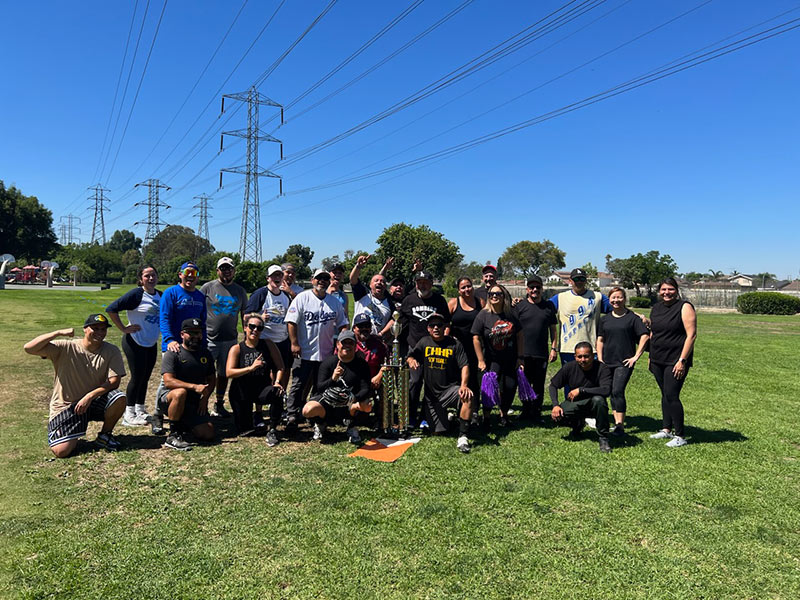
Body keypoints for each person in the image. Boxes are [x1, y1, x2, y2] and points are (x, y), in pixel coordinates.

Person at [24, 313, 126, 457]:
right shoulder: (66, 346)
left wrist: (90, 396)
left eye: (103, 329)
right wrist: (58, 333)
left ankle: (105, 435)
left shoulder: (111, 350)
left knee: (119, 398)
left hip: (93, 401)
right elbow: (29, 348)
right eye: (95, 328)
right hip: (66, 405)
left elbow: (114, 381)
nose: (100, 332)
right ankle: (74, 430)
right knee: (61, 452)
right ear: (85, 329)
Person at [284, 269, 349, 432]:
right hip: (304, 351)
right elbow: (291, 322)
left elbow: (343, 323)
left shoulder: (334, 302)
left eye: (326, 278)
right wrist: (294, 343)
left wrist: (341, 343)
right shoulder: (302, 298)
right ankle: (292, 414)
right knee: (298, 384)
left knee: (320, 386)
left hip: (325, 353)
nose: (322, 281)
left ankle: (314, 414)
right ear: (312, 280)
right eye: (319, 278)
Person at [152, 261, 207, 435]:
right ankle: (158, 414)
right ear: (180, 275)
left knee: (190, 376)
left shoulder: (199, 296)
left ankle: (185, 411)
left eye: (194, 275)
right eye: (187, 274)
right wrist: (169, 339)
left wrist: (202, 343)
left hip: (194, 345)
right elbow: (164, 317)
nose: (190, 277)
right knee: (167, 380)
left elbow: (203, 322)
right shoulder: (171, 293)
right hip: (174, 344)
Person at [408, 313, 474, 453]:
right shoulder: (424, 342)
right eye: (432, 325)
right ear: (428, 329)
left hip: (451, 390)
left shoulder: (455, 344)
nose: (436, 328)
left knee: (467, 396)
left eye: (439, 325)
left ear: (445, 327)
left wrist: (464, 385)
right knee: (439, 432)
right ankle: (453, 419)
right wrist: (411, 360)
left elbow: (465, 366)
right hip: (432, 398)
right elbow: (411, 355)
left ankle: (463, 436)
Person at [106, 265, 161, 427]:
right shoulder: (137, 294)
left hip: (151, 343)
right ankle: (128, 414)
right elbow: (112, 309)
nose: (151, 279)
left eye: (153, 275)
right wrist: (123, 328)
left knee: (145, 377)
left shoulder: (160, 295)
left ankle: (140, 410)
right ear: (140, 279)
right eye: (147, 276)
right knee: (137, 378)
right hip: (134, 342)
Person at [648, 277, 697, 448]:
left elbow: (691, 335)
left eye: (670, 289)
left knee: (671, 395)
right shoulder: (656, 308)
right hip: (657, 358)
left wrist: (682, 360)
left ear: (676, 290)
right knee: (664, 394)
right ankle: (666, 429)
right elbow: (654, 333)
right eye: (663, 290)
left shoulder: (684, 307)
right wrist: (650, 357)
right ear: (659, 291)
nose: (666, 293)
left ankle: (680, 435)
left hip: (675, 360)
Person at [399, 270, 451, 428]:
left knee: (431, 383)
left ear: (431, 283)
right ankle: (410, 416)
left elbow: (447, 323)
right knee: (414, 382)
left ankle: (425, 416)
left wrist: (444, 342)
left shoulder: (439, 300)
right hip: (415, 348)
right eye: (419, 282)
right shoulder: (409, 300)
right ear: (415, 284)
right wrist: (384, 334)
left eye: (425, 282)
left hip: (434, 349)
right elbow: (399, 321)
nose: (422, 285)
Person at [302, 330, 373, 444]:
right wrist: (333, 378)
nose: (347, 346)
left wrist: (353, 398)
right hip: (328, 403)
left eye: (350, 343)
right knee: (307, 410)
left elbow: (366, 388)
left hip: (349, 404)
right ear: (338, 344)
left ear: (355, 346)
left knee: (367, 405)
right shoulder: (328, 362)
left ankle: (352, 426)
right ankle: (321, 423)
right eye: (344, 343)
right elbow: (319, 388)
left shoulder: (361, 364)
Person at [226, 314, 286, 447]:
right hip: (241, 391)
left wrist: (277, 382)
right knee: (244, 430)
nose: (255, 330)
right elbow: (229, 372)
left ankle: (273, 429)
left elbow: (280, 366)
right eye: (252, 327)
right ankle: (248, 420)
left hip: (261, 388)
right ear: (245, 328)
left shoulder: (268, 344)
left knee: (277, 392)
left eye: (259, 328)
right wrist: (251, 368)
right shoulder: (237, 349)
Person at [596, 287, 650, 436]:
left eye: (619, 297)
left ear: (624, 299)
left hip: (624, 362)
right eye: (613, 298)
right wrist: (600, 358)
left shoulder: (632, 318)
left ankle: (620, 425)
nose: (616, 300)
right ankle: (616, 422)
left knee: (617, 390)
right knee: (610, 392)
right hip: (607, 361)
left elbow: (645, 336)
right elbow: (600, 339)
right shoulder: (605, 319)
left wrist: (636, 356)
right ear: (609, 300)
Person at [158, 318, 216, 451]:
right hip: (170, 399)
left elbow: (212, 379)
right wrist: (194, 387)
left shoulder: (205, 353)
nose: (195, 336)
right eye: (191, 333)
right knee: (180, 392)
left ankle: (184, 423)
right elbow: (168, 381)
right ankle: (173, 435)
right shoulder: (173, 353)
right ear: (182, 334)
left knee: (208, 434)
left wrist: (205, 398)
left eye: (198, 333)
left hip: (193, 403)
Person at [201, 257, 247, 417]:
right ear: (217, 271)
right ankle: (202, 405)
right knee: (205, 374)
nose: (226, 271)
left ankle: (219, 404)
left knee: (223, 374)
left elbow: (244, 314)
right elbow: (198, 311)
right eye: (223, 268)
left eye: (229, 268)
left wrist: (247, 334)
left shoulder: (240, 290)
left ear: (234, 271)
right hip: (209, 339)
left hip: (230, 340)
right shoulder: (207, 288)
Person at [471, 284, 523, 427]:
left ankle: (503, 415)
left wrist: (520, 357)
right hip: (491, 359)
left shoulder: (510, 314)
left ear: (503, 296)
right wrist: (480, 360)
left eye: (498, 294)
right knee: (489, 388)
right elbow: (475, 337)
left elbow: (519, 334)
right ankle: (486, 417)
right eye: (491, 294)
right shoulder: (483, 315)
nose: (494, 296)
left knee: (510, 387)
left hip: (510, 359)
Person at [549, 342, 612, 453]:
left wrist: (581, 390)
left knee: (599, 400)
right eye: (579, 357)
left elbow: (606, 390)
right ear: (575, 357)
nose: (583, 360)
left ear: (593, 356)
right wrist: (555, 405)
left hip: (594, 404)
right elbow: (553, 385)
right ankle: (577, 424)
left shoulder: (602, 368)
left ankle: (603, 438)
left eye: (586, 356)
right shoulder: (569, 367)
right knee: (558, 416)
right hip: (576, 403)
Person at [512, 275, 558, 422]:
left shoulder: (548, 306)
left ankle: (536, 413)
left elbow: (553, 329)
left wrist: (554, 348)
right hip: (523, 353)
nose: (535, 290)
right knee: (524, 383)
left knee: (538, 384)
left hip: (541, 353)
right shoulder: (520, 306)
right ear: (527, 289)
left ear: (542, 289)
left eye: (538, 287)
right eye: (532, 287)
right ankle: (526, 411)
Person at [245, 264, 293, 377]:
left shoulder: (286, 296)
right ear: (268, 278)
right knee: (267, 371)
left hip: (283, 339)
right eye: (273, 276)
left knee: (284, 369)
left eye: (279, 275)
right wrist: (259, 317)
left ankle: (280, 393)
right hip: (265, 340)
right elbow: (246, 316)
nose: (277, 278)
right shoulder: (260, 294)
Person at [446, 276, 483, 401]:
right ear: (458, 290)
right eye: (463, 287)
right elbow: (445, 324)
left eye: (469, 286)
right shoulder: (453, 303)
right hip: (457, 348)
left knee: (473, 379)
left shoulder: (481, 303)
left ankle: (473, 410)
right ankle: (455, 408)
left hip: (475, 347)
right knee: (456, 378)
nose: (467, 289)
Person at [349, 254, 394, 337]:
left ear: (385, 286)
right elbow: (353, 279)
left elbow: (393, 320)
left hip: (376, 340)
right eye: (376, 281)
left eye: (382, 282)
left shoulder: (390, 302)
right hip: (357, 338)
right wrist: (358, 266)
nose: (379, 283)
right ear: (370, 285)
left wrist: (381, 334)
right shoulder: (363, 294)